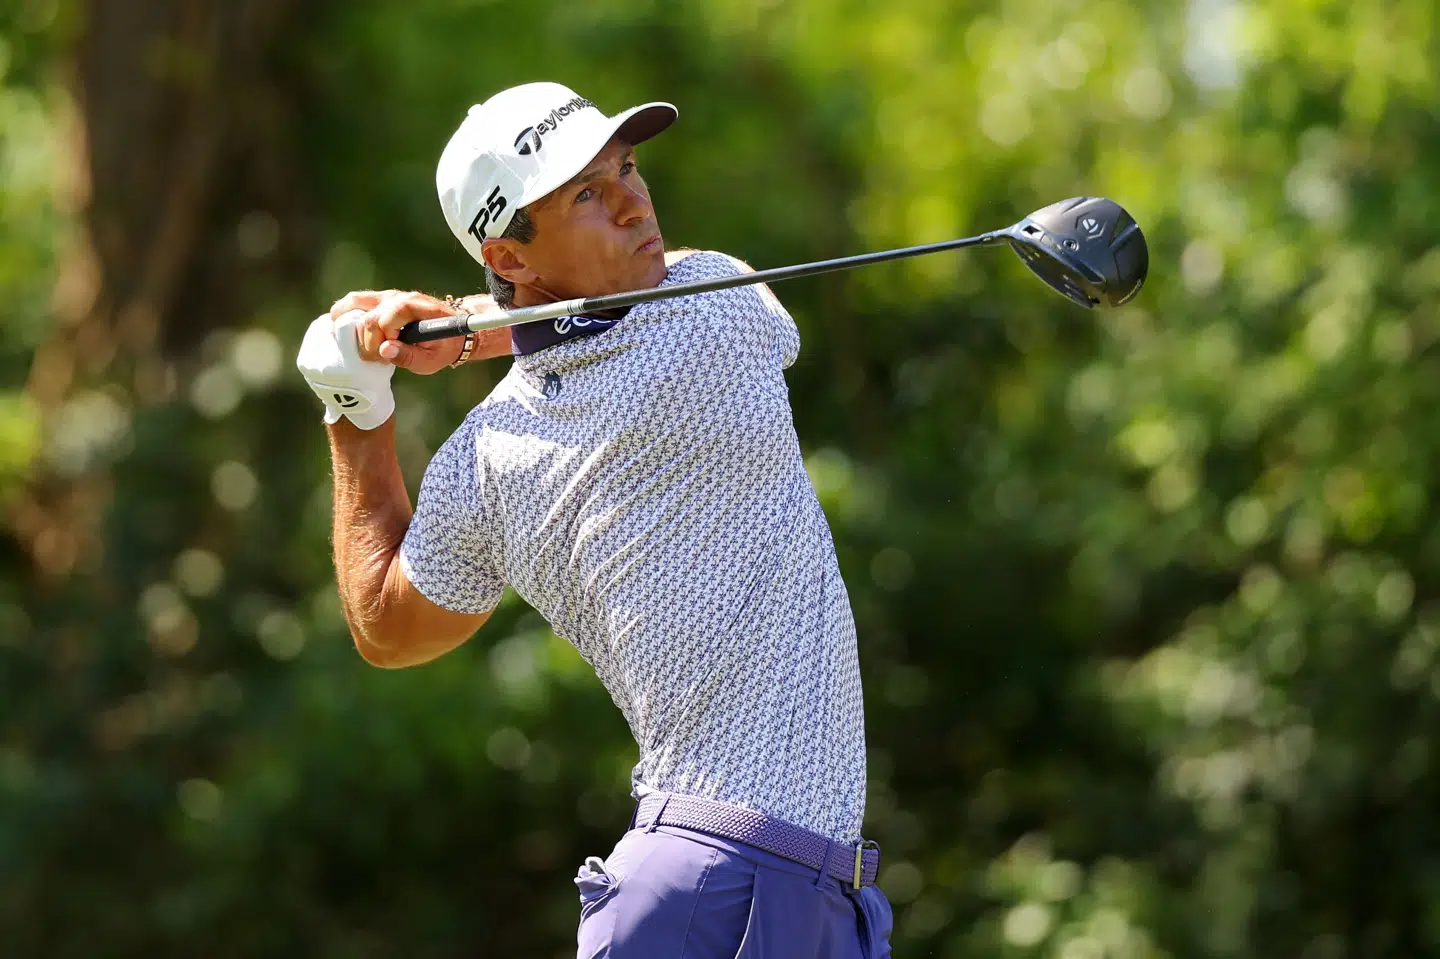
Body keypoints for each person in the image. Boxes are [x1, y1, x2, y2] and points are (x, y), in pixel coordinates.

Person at [295, 81, 892, 958]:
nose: (631, 201)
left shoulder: (484, 457)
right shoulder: (716, 304)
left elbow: (384, 625)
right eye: (585, 193)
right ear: (511, 253)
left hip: (792, 890)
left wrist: (354, 408)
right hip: (717, 886)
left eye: (627, 168)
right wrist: (470, 326)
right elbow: (634, 293)